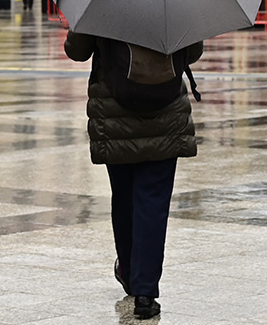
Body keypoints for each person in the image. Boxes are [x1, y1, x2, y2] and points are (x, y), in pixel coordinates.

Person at [64, 32, 203, 320]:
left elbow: (76, 51)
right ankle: (145, 292)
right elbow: (192, 52)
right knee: (153, 202)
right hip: (166, 115)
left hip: (115, 115)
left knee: (124, 196)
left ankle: (127, 271)